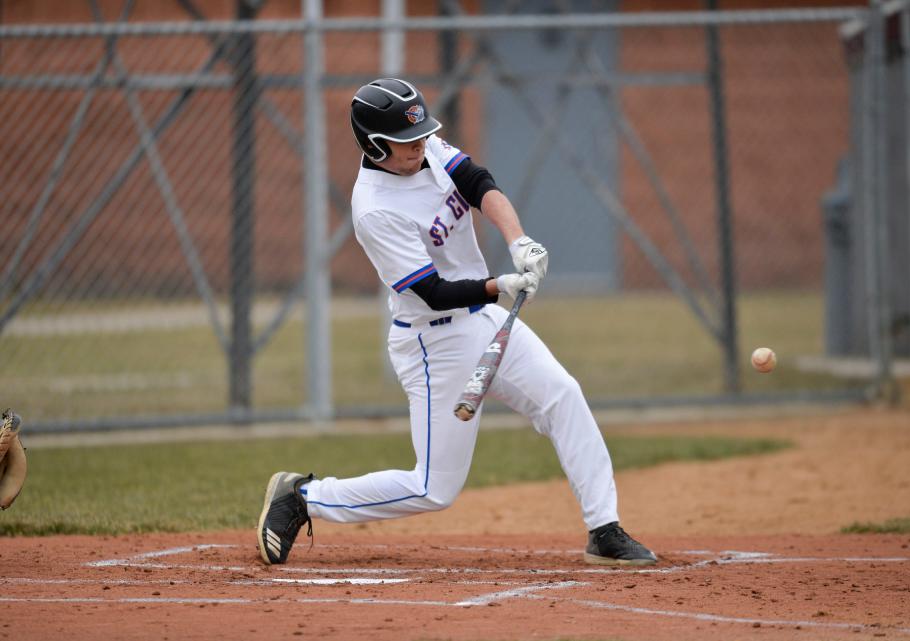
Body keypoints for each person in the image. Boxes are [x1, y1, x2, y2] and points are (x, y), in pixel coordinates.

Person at [256, 78, 657, 568]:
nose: (419, 145)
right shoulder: (375, 209)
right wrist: (498, 285)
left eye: (423, 134)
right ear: (373, 144)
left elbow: (477, 182)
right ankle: (304, 497)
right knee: (433, 487)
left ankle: (604, 528)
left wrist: (518, 242)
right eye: (406, 141)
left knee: (563, 395)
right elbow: (431, 291)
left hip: (483, 318)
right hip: (434, 342)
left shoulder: (426, 148)